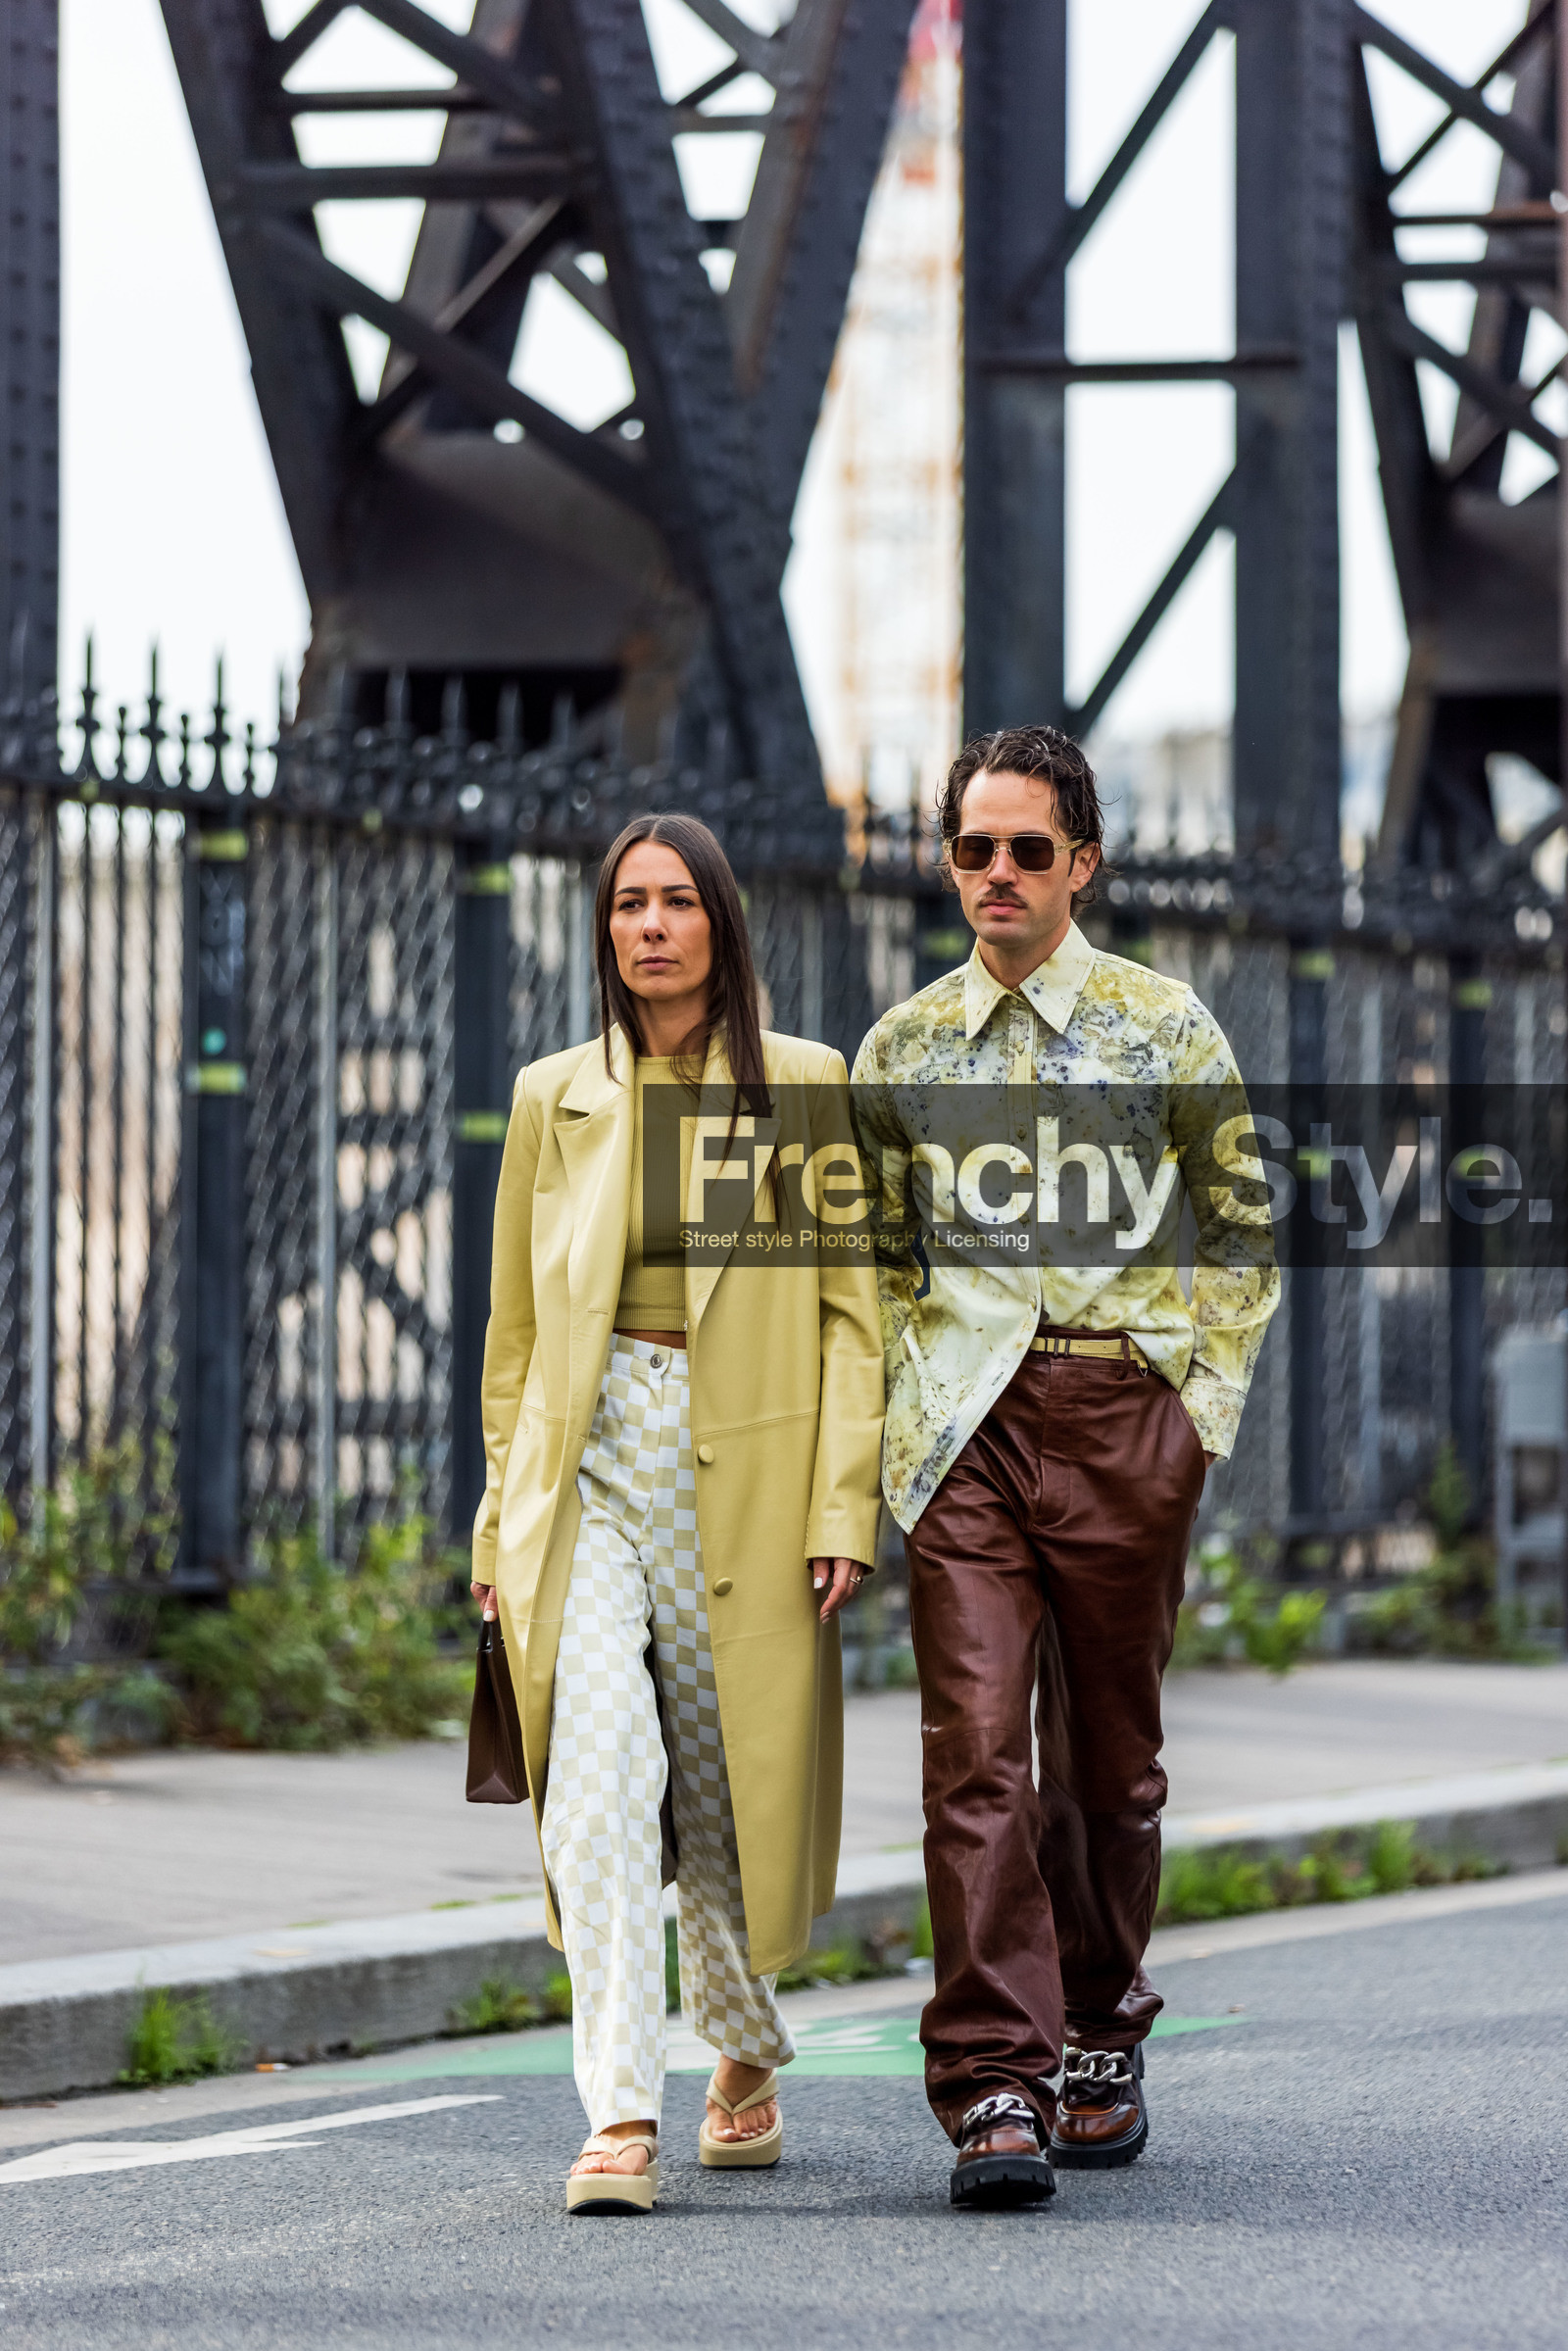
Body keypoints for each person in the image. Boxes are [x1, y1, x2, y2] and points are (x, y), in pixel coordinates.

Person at [852, 726, 1279, 2208]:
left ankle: (1100, 2025)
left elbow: (1242, 1232)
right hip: (964, 1434)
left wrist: (1190, 1415)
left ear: (1081, 865)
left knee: (1110, 1770)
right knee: (975, 1756)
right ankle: (994, 2086)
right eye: (975, 849)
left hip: (1121, 1426)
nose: (999, 874)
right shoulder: (901, 1051)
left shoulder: (1167, 1030)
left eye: (1030, 850)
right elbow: (874, 1270)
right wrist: (895, 1445)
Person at [470, 811, 884, 2215]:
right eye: (628, 904)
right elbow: (514, 1341)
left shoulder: (807, 1089)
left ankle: (748, 2050)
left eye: (676, 903)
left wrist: (841, 1507)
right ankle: (621, 2112)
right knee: (599, 1775)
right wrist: (497, 1532)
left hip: (749, 1472)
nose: (649, 926)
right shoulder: (554, 1097)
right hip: (583, 1474)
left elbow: (848, 1323)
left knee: (722, 1791)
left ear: (721, 924)